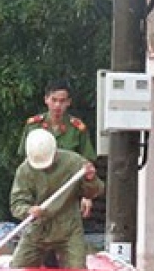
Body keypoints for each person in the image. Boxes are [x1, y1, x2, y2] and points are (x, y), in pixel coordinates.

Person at [10, 129, 105, 269]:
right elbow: (17, 203)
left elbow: (94, 191)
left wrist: (90, 179)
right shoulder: (24, 171)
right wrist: (28, 211)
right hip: (38, 229)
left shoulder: (75, 163)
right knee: (18, 268)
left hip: (68, 229)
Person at [18, 80, 98, 218]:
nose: (57, 105)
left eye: (62, 101)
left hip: (67, 193)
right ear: (46, 100)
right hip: (38, 190)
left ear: (68, 102)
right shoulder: (33, 126)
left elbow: (87, 164)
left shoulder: (77, 129)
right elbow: (24, 161)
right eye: (54, 100)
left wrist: (87, 196)